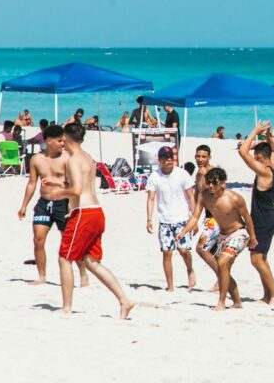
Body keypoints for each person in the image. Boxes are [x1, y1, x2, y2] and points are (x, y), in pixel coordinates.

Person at [43, 123, 134, 318]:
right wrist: (58, 182)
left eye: (61, 139)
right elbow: (82, 184)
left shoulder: (73, 160)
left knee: (64, 258)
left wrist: (59, 192)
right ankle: (124, 300)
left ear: (66, 138)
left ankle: (66, 307)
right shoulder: (88, 158)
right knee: (92, 262)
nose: (61, 143)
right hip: (96, 211)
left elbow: (76, 190)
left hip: (84, 213)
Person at [16, 124, 88, 287]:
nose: (63, 143)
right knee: (38, 239)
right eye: (59, 141)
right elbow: (32, 183)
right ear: (49, 141)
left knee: (69, 242)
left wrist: (71, 205)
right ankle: (41, 276)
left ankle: (83, 275)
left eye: (63, 140)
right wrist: (24, 205)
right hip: (44, 203)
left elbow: (73, 184)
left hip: (63, 203)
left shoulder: (67, 158)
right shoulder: (36, 159)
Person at [177, 168, 258, 311]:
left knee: (222, 263)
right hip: (222, 235)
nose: (211, 186)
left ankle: (221, 302)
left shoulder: (234, 198)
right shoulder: (204, 196)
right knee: (223, 269)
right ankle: (237, 302)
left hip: (238, 233)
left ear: (223, 183)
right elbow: (195, 216)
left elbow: (248, 218)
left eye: (215, 183)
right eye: (209, 183)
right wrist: (183, 231)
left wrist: (252, 238)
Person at [239, 121, 274, 305]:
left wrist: (255, 130)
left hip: (263, 219)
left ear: (258, 156)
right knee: (261, 258)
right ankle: (267, 296)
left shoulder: (265, 171)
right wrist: (267, 137)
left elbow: (243, 151)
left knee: (256, 259)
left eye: (256, 156)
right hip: (268, 216)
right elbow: (273, 150)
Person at [146, 146, 196, 292]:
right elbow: (151, 198)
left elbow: (191, 196)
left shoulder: (182, 174)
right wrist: (149, 219)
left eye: (171, 157)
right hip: (164, 220)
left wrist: (194, 219)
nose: (169, 160)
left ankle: (189, 269)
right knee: (167, 253)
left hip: (182, 218)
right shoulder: (154, 176)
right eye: (165, 158)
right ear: (159, 159)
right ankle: (170, 285)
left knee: (183, 249)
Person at [186, 145, 222, 290]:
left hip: (218, 216)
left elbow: (221, 195)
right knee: (213, 251)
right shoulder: (199, 174)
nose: (200, 159)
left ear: (209, 157)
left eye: (203, 157)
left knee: (201, 248)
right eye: (198, 156)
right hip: (207, 215)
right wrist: (194, 219)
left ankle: (223, 276)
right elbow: (197, 196)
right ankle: (221, 280)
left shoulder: (213, 173)